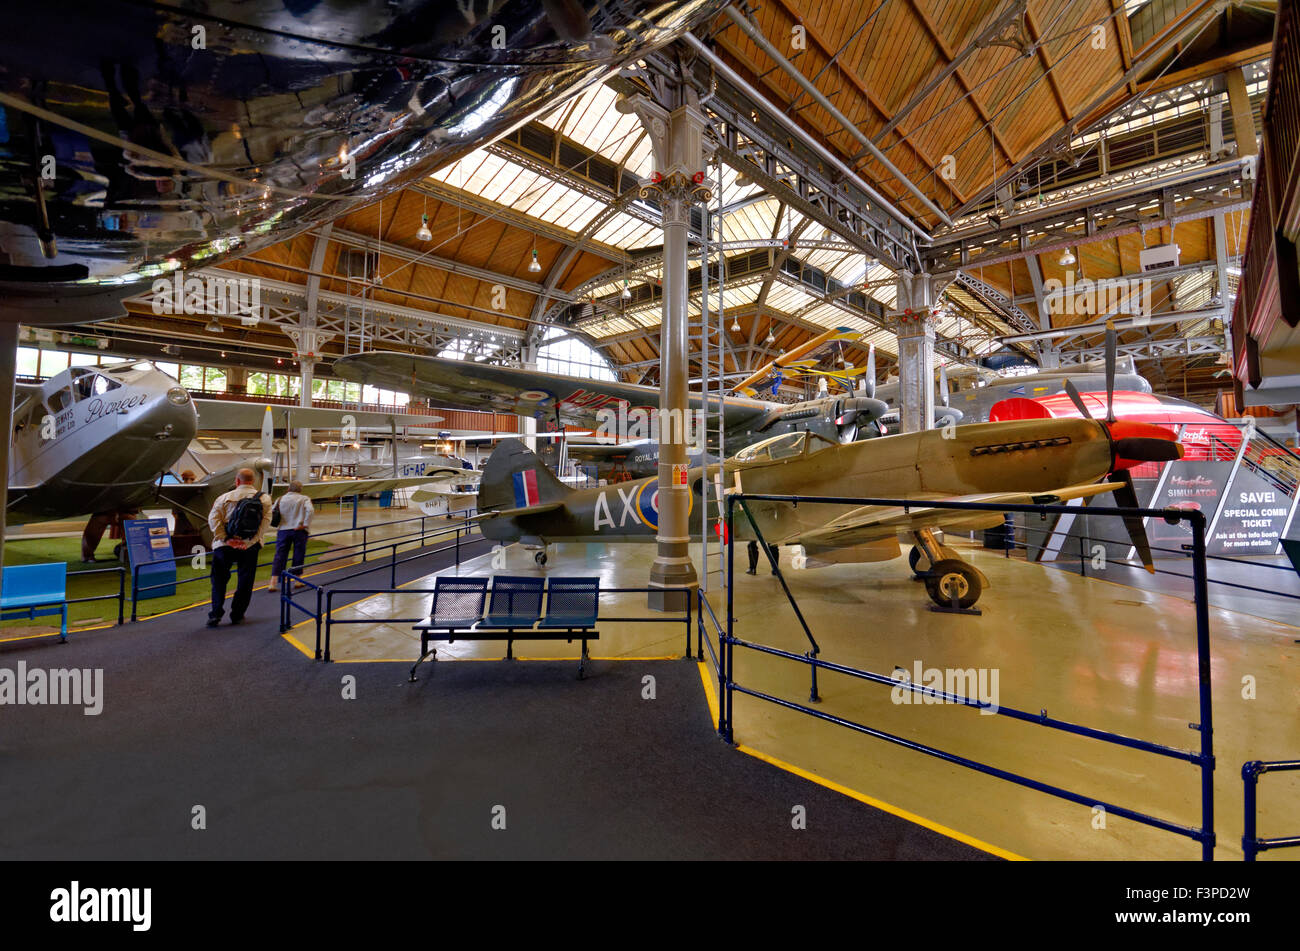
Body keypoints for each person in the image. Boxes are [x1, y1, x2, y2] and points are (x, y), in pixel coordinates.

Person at [206, 468, 272, 627]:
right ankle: (237, 614)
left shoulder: (223, 498)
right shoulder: (265, 499)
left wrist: (227, 539)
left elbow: (214, 521)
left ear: (236, 481)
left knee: (219, 580)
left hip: (224, 546)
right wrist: (249, 542)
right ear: (254, 481)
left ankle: (215, 614)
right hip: (249, 546)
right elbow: (264, 525)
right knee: (245, 580)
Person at [269, 481, 314, 593]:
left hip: (283, 530)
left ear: (288, 489)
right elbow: (310, 510)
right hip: (299, 530)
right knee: (298, 554)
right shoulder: (304, 499)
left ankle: (273, 582)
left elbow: (272, 512)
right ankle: (297, 580)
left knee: (280, 555)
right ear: (300, 490)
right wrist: (305, 524)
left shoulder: (280, 499)